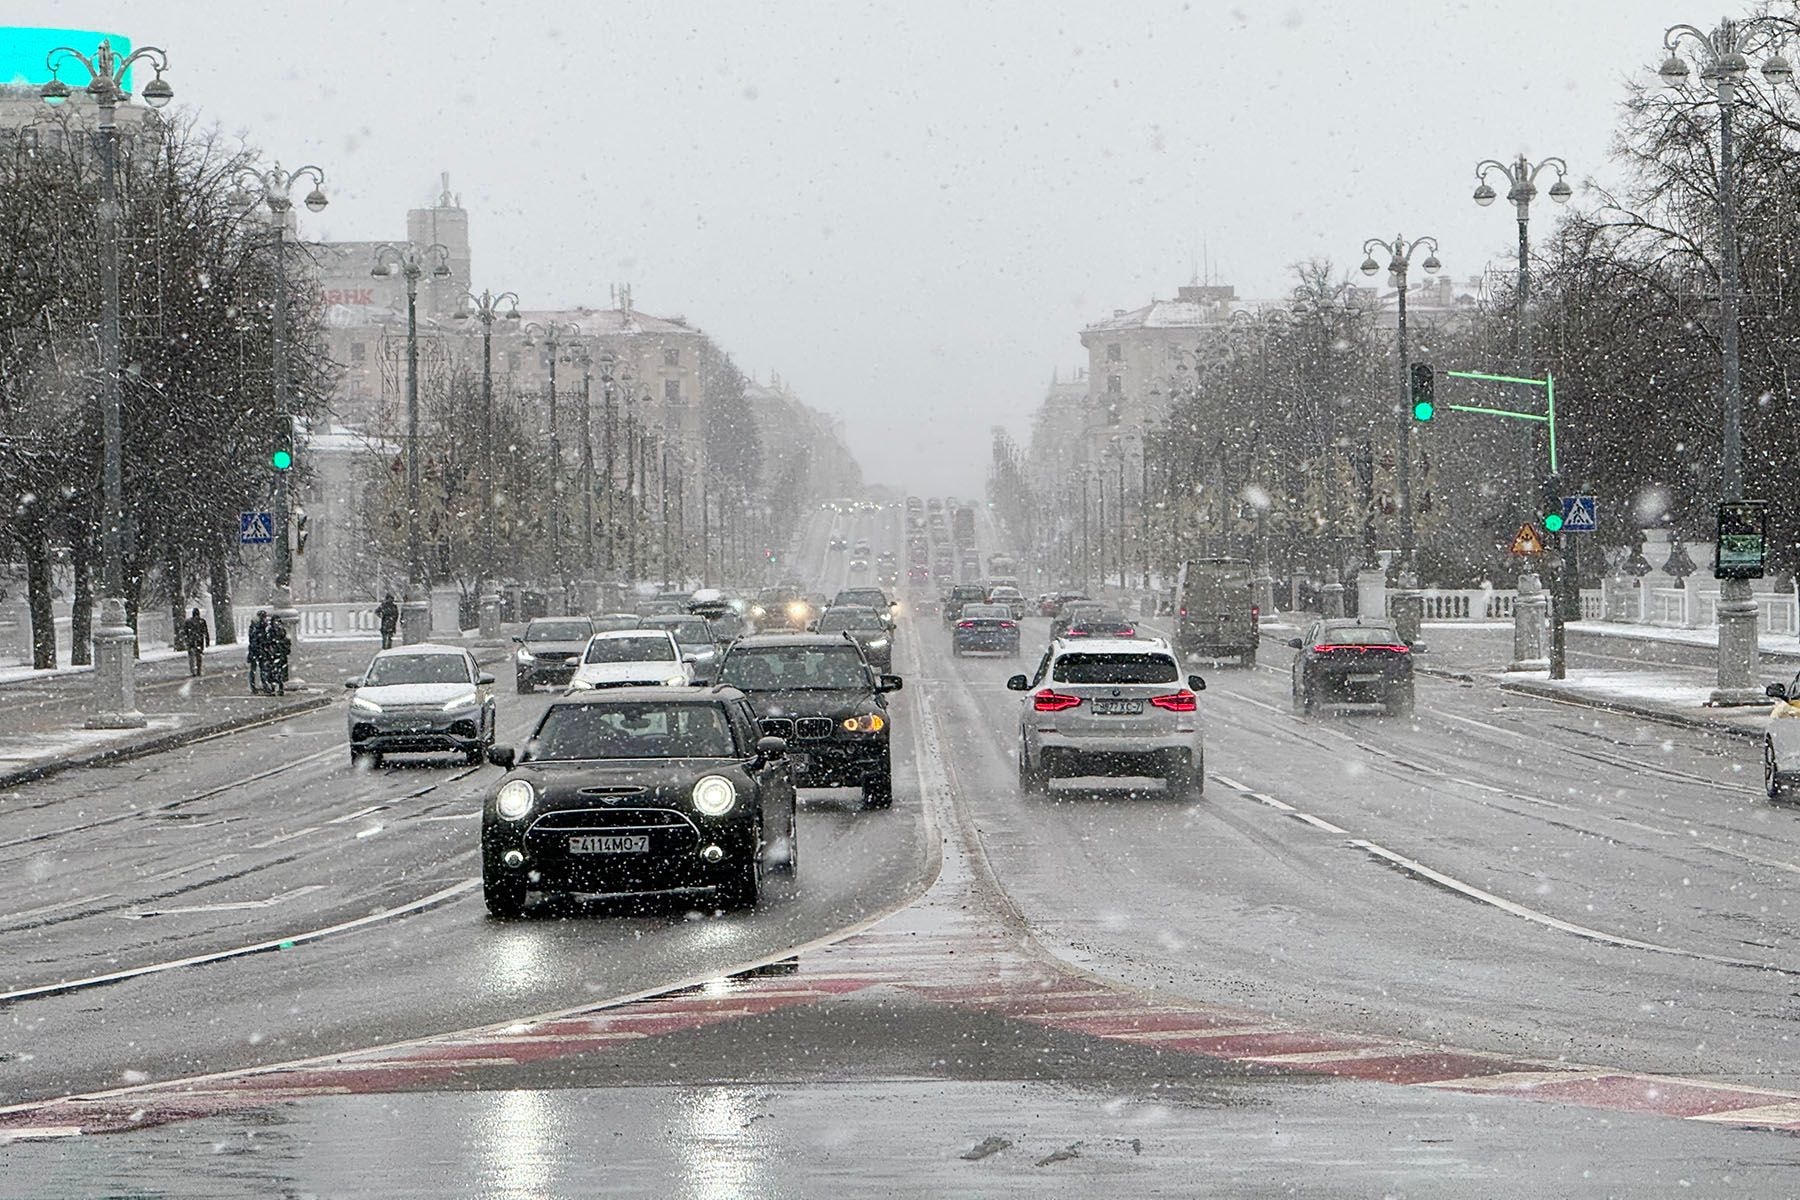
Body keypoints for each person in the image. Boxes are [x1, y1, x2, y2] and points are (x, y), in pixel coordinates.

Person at [264, 619, 291, 696]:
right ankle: (277, 688)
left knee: (276, 673)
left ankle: (277, 688)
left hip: (277, 655)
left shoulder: (276, 632)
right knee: (276, 673)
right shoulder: (274, 632)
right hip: (276, 654)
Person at [181, 607, 210, 677]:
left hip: (191, 641)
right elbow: (205, 632)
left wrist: (186, 640)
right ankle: (198, 671)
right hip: (199, 641)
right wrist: (207, 641)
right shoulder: (202, 621)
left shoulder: (188, 621)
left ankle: (192, 671)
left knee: (191, 657)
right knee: (198, 657)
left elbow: (184, 632)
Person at [247, 611, 269, 694]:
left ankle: (255, 686)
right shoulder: (259, 626)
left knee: (255, 669)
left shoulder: (254, 626)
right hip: (258, 650)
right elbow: (256, 639)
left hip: (255, 651)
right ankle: (263, 686)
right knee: (261, 669)